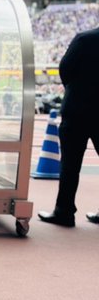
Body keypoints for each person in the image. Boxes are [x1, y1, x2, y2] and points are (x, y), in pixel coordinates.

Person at [38, 25, 99, 227]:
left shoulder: (84, 39)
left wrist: (76, 89)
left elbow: (65, 68)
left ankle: (64, 211)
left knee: (70, 165)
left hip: (77, 109)